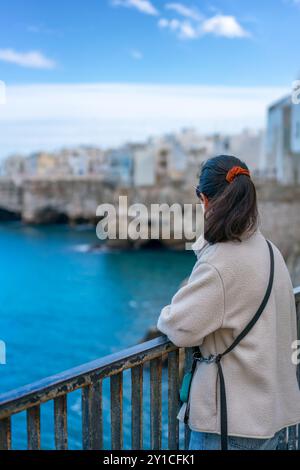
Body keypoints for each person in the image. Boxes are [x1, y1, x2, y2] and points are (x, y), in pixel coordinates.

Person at [157, 155, 300, 450]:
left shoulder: (220, 263)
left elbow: (178, 328)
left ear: (204, 199)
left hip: (229, 426)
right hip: (270, 419)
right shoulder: (271, 252)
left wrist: (167, 311)